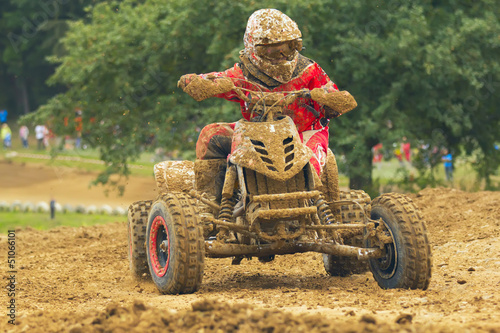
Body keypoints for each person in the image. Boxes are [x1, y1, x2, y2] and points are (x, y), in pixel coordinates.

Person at [178, 8, 357, 178]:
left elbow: (337, 96)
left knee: (308, 167)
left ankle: (313, 202)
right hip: (256, 132)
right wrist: (195, 82)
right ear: (253, 47)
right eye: (271, 49)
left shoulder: (309, 70)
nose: (280, 55)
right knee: (211, 134)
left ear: (295, 46)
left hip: (305, 132)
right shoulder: (242, 74)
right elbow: (214, 79)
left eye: (286, 48)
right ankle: (214, 197)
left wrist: (328, 99)